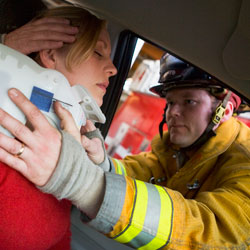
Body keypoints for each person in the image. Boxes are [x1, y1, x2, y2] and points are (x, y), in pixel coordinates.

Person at [1, 52, 250, 248]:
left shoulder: (244, 160)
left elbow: (219, 231)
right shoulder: (173, 150)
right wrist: (101, 164)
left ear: (225, 111)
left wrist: (84, 183)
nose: (173, 112)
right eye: (171, 101)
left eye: (189, 102)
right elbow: (139, 172)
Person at [0, 5, 116, 250]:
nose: (114, 69)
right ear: (51, 55)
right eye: (97, 52)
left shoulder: (66, 155)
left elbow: (59, 239)